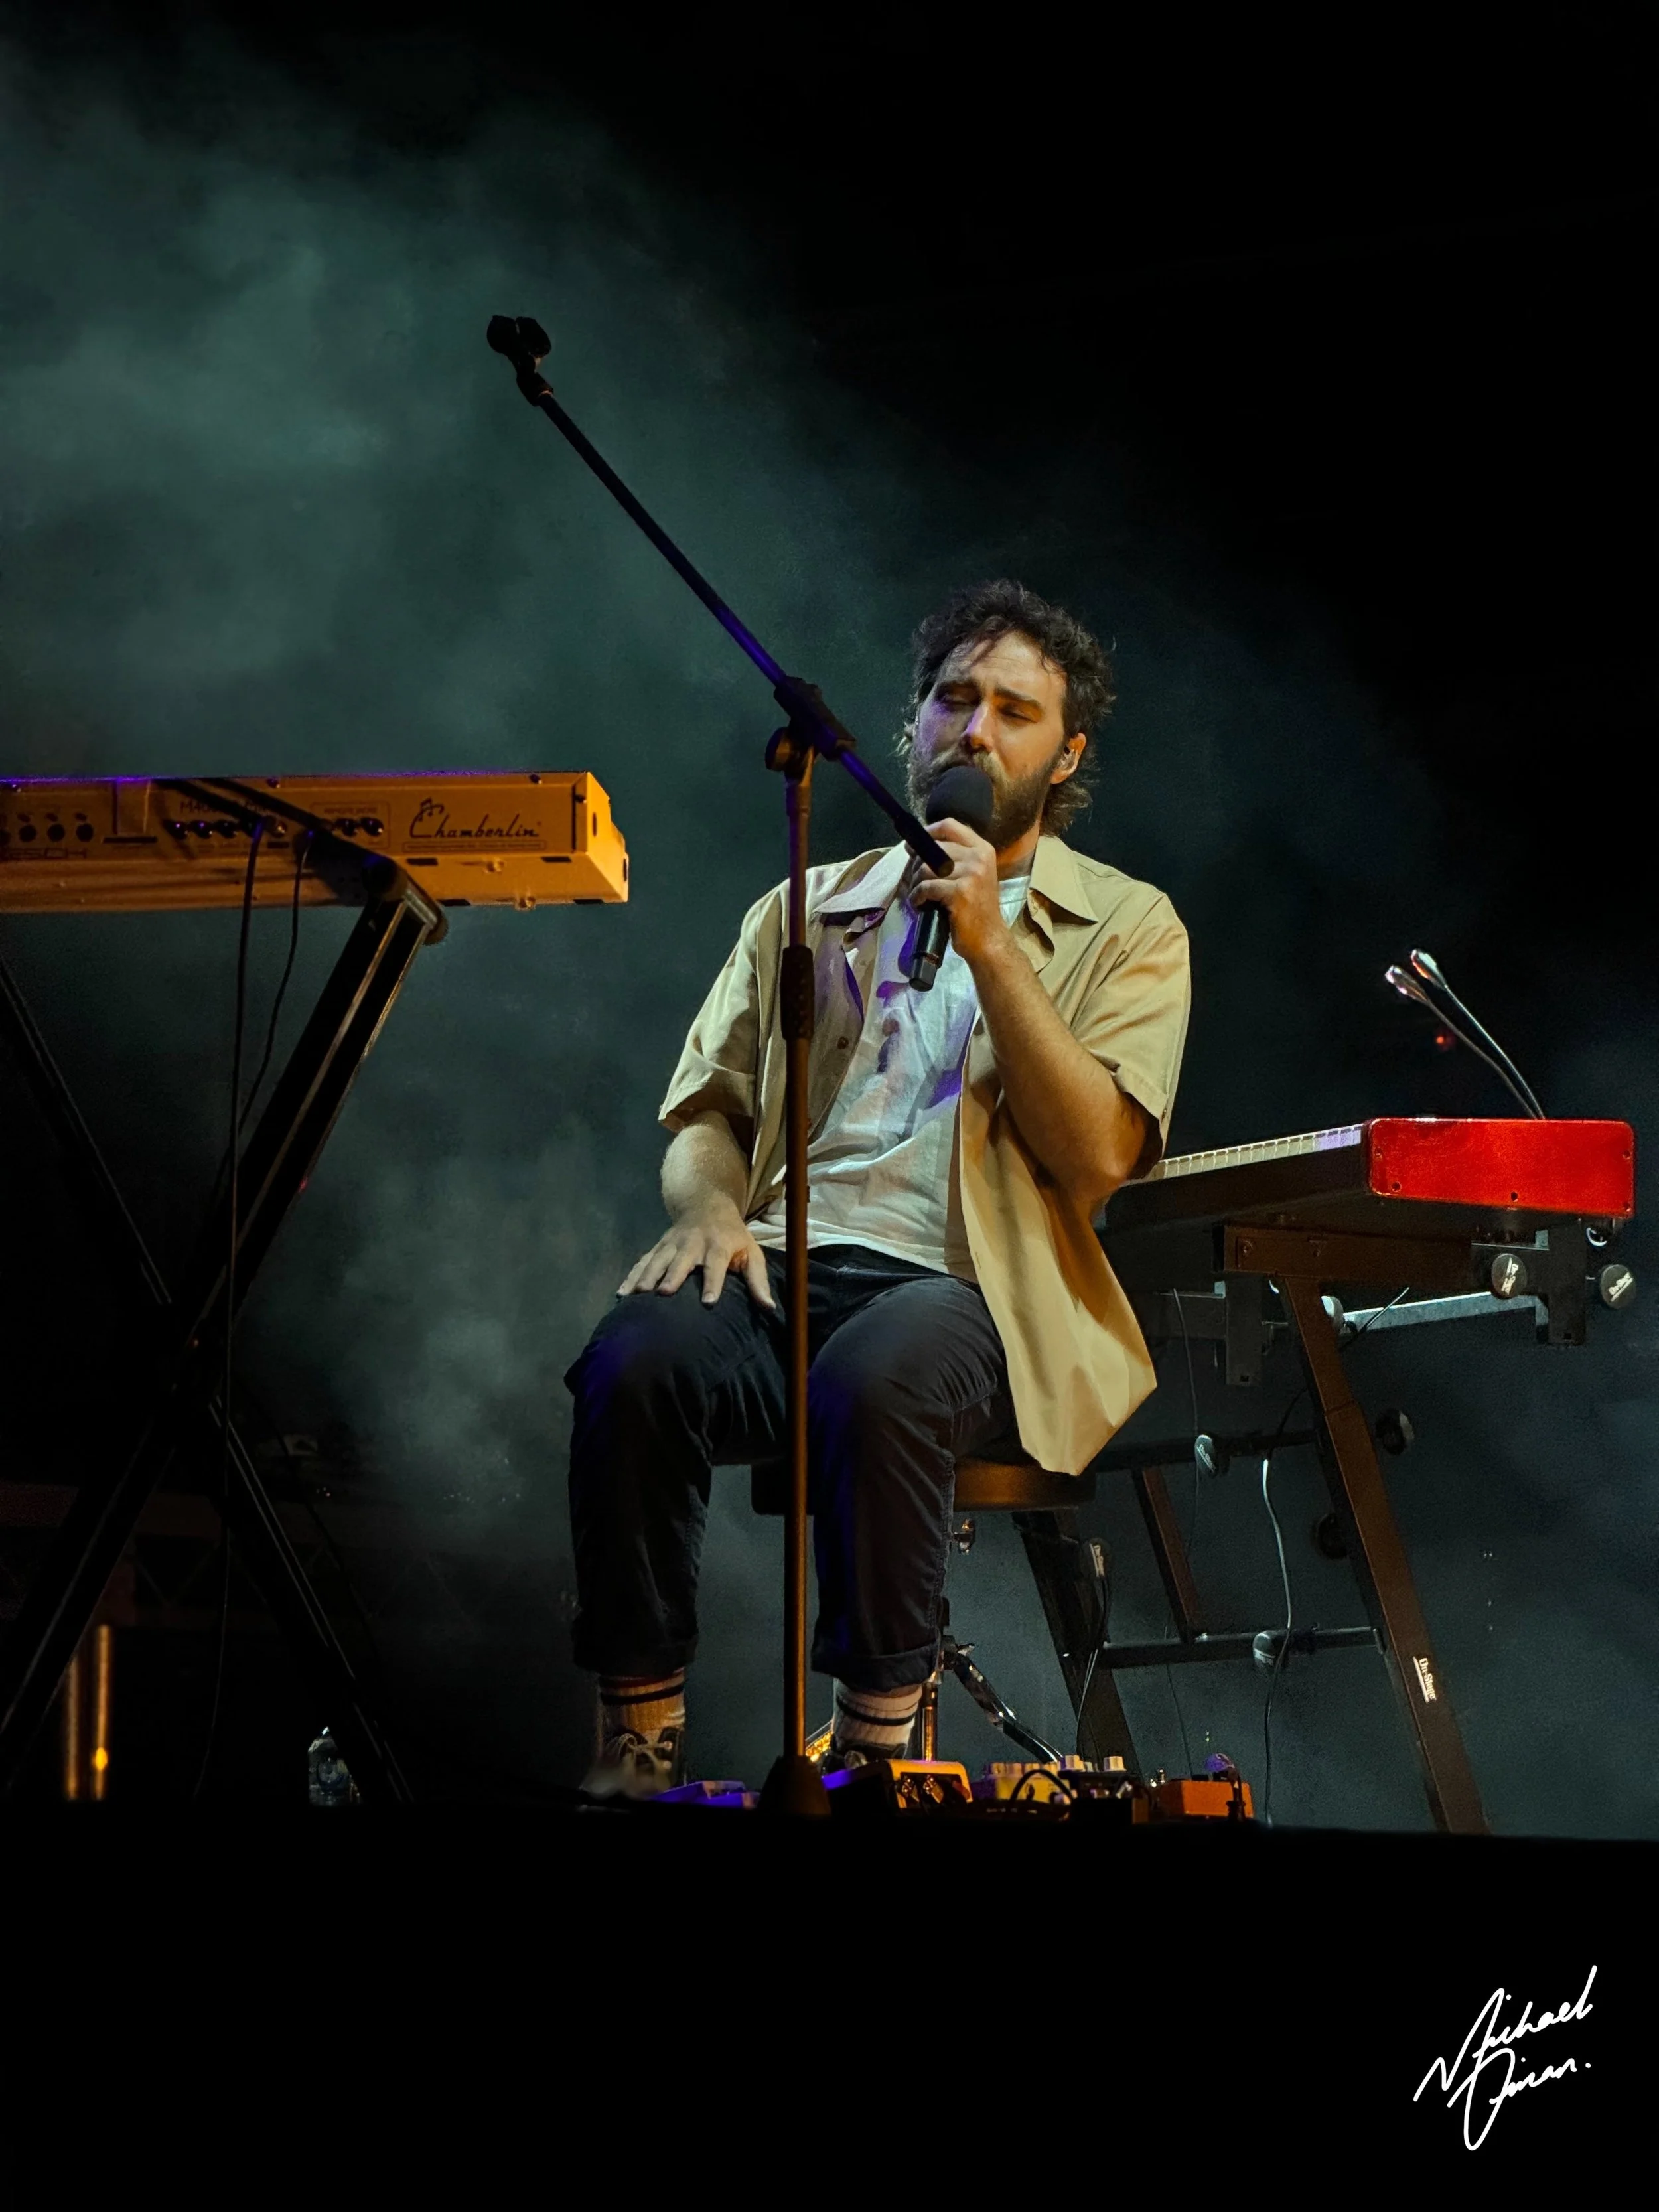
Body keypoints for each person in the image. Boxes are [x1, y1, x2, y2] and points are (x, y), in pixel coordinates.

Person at [565, 579, 1190, 1795]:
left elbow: (1098, 1155)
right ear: (913, 724)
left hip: (974, 1291)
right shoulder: (805, 906)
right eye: (954, 699)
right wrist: (709, 1206)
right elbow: (706, 1114)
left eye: (1015, 711)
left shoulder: (1129, 925)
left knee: (878, 1378)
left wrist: (994, 947)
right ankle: (637, 1735)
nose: (976, 730)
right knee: (635, 1358)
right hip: (784, 1258)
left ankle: (876, 1744)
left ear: (1067, 757)